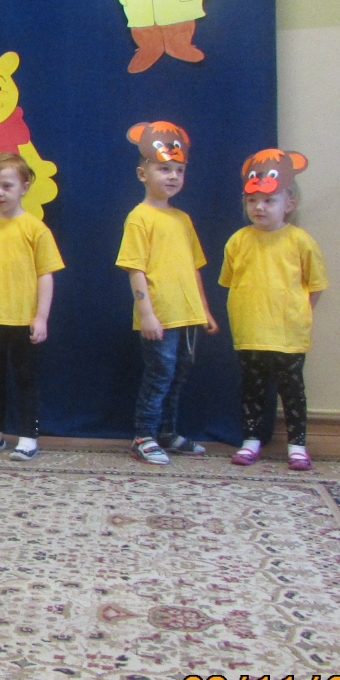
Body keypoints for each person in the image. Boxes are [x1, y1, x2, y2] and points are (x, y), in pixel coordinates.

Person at [116, 121, 218, 465]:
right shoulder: (139, 218)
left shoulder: (183, 219)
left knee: (177, 376)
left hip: (187, 315)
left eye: (179, 170)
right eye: (164, 169)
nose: (173, 176)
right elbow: (135, 269)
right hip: (160, 315)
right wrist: (146, 314)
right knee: (159, 375)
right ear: (142, 174)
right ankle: (143, 436)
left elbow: (193, 268)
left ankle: (167, 432)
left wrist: (204, 310)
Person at [220, 149, 328, 470]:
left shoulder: (301, 241)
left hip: (288, 333)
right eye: (252, 200)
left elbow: (316, 286)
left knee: (292, 390)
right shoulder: (237, 241)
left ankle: (297, 445)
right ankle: (251, 440)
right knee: (252, 387)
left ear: (289, 204)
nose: (259, 207)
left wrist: (299, 314)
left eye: (269, 200)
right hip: (250, 331)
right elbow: (230, 282)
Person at [0, 152, 64, 461]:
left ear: (25, 186)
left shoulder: (35, 229)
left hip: (23, 320)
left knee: (25, 380)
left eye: (7, 186)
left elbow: (46, 275)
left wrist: (41, 317)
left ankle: (27, 436)